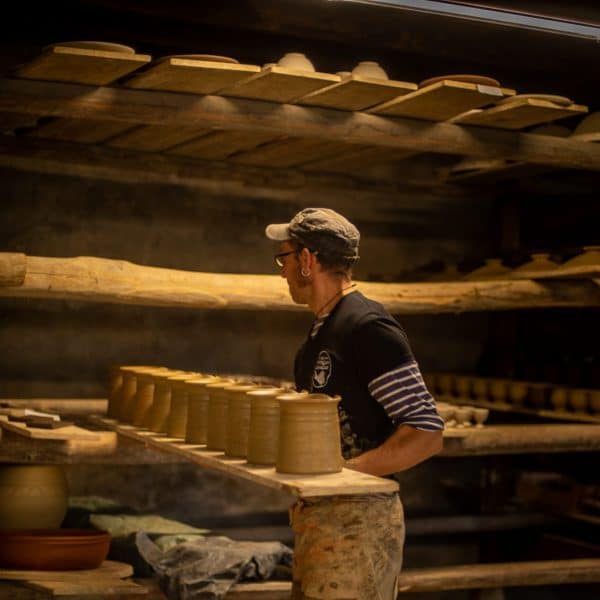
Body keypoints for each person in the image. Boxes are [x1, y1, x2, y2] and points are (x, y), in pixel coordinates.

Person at [265, 207, 444, 600]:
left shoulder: (368, 328)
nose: (281, 271)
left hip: (360, 525)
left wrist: (344, 473)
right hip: (322, 519)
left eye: (285, 258)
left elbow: (427, 432)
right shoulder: (320, 334)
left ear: (308, 261)